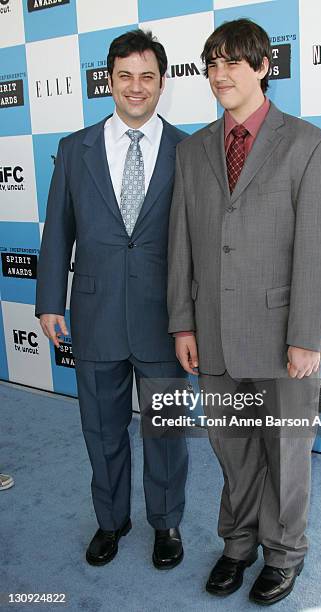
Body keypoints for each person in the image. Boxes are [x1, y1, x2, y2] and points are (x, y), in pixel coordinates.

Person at [168, 19, 321, 605]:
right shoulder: (192, 151)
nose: (219, 75)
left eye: (232, 63)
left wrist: (306, 336)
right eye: (210, 64)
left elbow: (318, 251)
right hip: (212, 333)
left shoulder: (310, 145)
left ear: (265, 65)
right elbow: (182, 245)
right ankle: (237, 543)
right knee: (232, 449)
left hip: (281, 336)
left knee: (287, 452)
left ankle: (285, 552)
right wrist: (182, 323)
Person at [36, 29, 188, 569]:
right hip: (95, 312)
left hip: (166, 319)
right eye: (125, 75)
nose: (136, 87)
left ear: (162, 82)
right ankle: (111, 520)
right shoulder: (73, 148)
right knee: (101, 426)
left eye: (147, 76)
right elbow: (58, 229)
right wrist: (50, 299)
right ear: (109, 80)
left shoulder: (186, 148)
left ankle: (166, 523)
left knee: (166, 431)